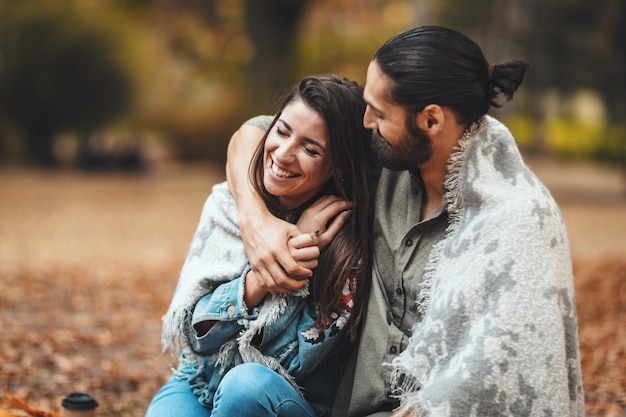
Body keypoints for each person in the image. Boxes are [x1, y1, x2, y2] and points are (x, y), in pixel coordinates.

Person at [226, 26, 584, 416]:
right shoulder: (390, 157)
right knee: (242, 391)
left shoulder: (519, 220)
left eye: (378, 113)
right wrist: (255, 220)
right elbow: (253, 133)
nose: (365, 122)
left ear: (431, 120)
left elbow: (501, 373)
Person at [145, 74, 373, 417]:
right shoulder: (229, 204)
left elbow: (292, 362)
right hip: (202, 379)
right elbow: (197, 337)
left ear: (337, 167)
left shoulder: (344, 240)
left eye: (310, 149)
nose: (282, 154)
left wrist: (296, 259)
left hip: (285, 397)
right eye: (281, 132)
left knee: (244, 388)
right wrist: (260, 279)